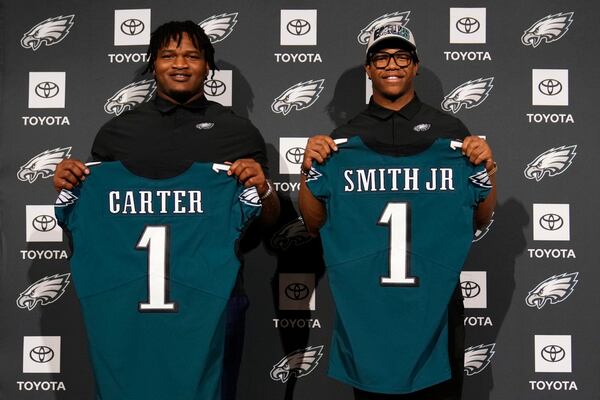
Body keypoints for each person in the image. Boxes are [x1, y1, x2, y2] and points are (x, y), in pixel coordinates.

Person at [53, 20, 279, 400]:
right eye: (168, 55)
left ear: (208, 66)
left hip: (215, 297)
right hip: (130, 299)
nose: (180, 63)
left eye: (192, 55)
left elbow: (266, 225)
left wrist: (264, 189)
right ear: (152, 64)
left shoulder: (238, 133)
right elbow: (96, 225)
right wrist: (71, 184)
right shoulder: (117, 132)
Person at [298, 24, 497, 400]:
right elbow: (313, 222)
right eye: (382, 57)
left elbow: (481, 217)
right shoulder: (343, 140)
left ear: (416, 65)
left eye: (402, 56)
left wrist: (486, 172)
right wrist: (309, 171)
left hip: (435, 299)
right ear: (369, 68)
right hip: (367, 302)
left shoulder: (449, 131)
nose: (393, 64)